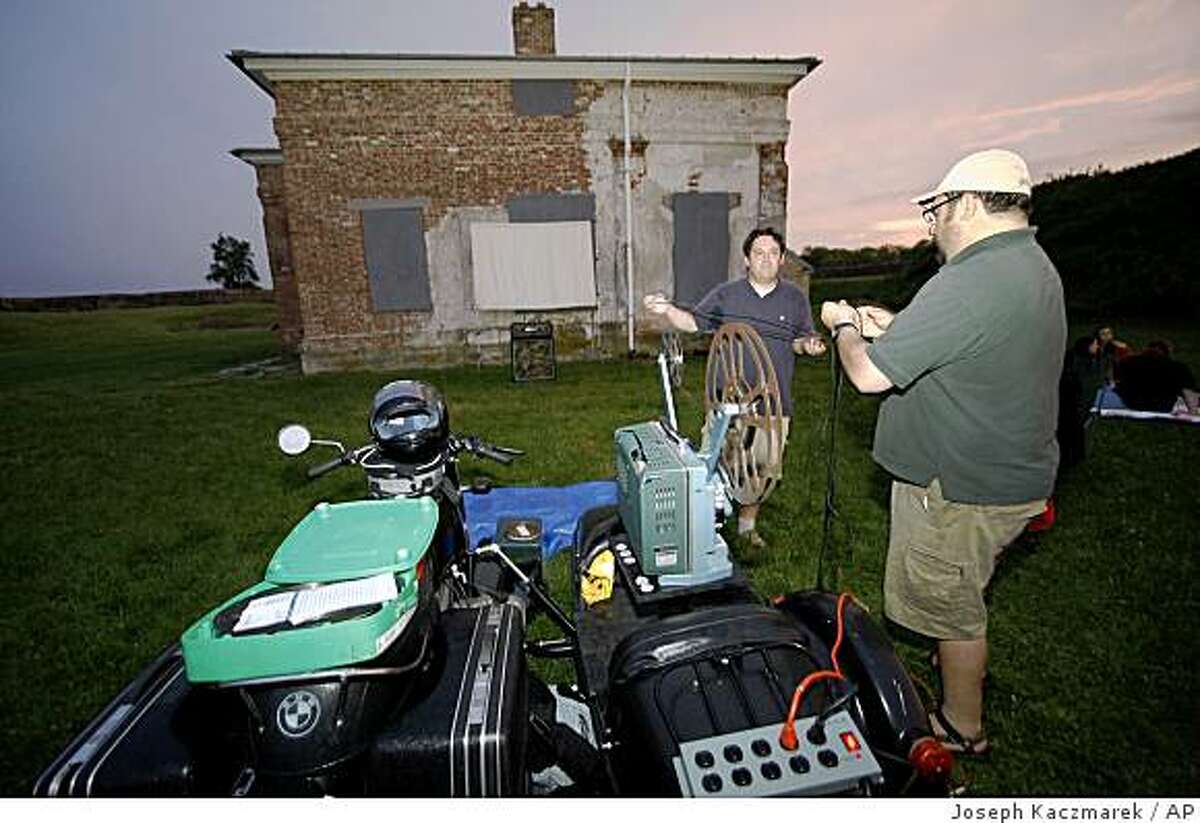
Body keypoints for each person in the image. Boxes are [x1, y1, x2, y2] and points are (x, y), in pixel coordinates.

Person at [819, 149, 1066, 755]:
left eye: (938, 208)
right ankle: (956, 669)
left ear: (973, 203)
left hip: (957, 489)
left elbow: (870, 377)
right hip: (1008, 473)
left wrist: (845, 326)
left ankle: (961, 727)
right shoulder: (1027, 265)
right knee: (963, 584)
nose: (931, 223)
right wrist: (899, 325)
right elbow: (971, 340)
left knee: (952, 605)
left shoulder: (967, 280)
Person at [643, 226, 826, 546]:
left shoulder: (795, 297)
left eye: (773, 253)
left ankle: (746, 525)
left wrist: (808, 346)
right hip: (725, 399)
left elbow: (799, 340)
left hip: (773, 404)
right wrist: (667, 309)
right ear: (747, 259)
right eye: (759, 253)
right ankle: (704, 524)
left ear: (782, 259)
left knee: (760, 471)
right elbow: (694, 323)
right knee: (715, 460)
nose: (766, 259)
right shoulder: (727, 294)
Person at [1113, 340, 1197, 413]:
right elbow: (1188, 391)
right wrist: (1193, 410)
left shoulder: (1128, 362)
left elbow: (1117, 383)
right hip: (1163, 406)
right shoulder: (1178, 367)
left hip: (1132, 404)